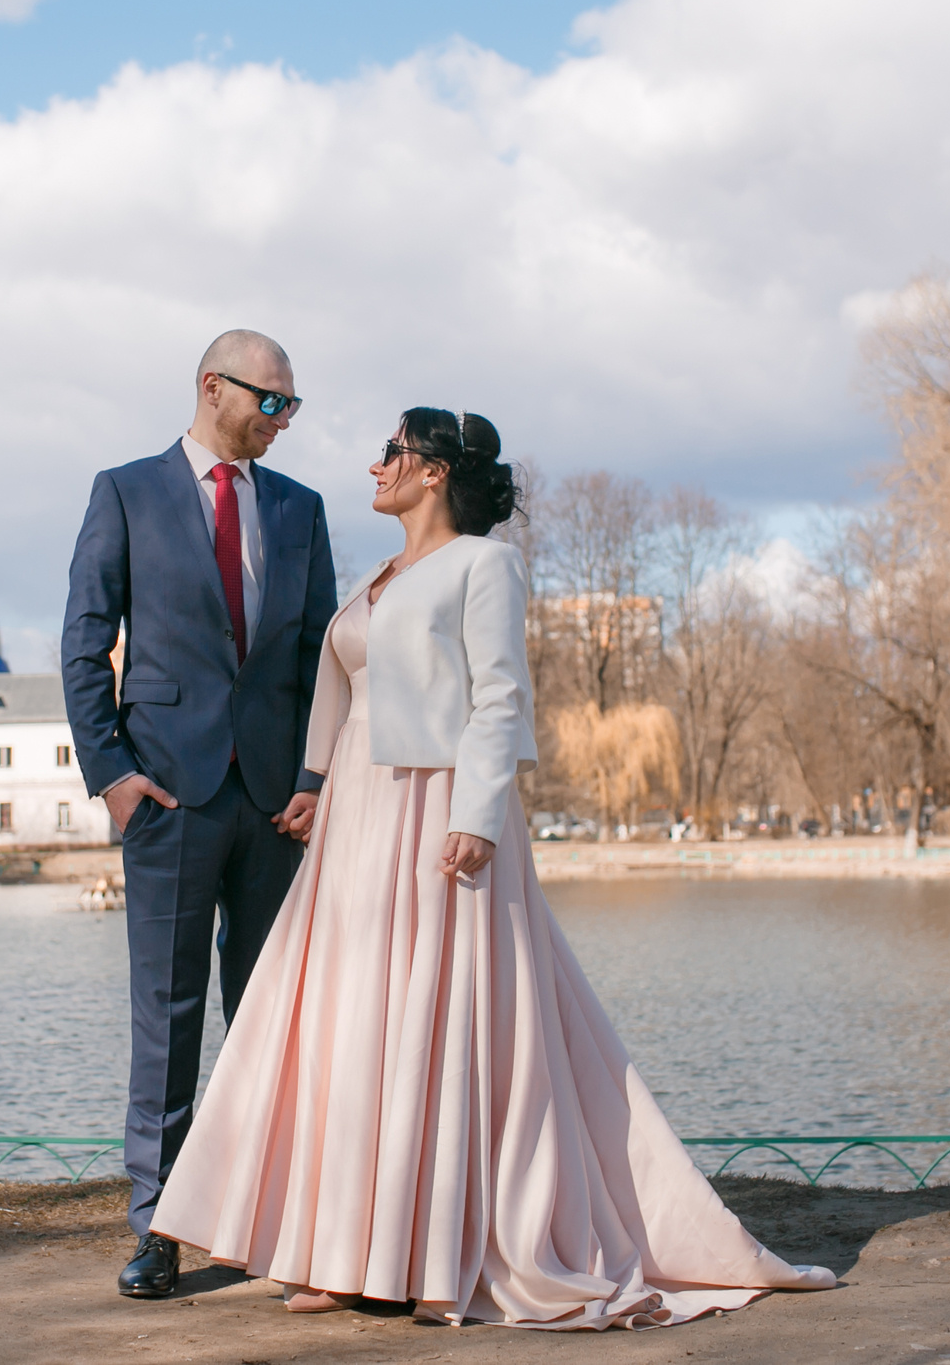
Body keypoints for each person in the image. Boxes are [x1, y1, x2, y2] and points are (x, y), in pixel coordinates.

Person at [149, 408, 836, 1329]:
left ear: (433, 472)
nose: (374, 465)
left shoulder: (485, 566)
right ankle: (338, 1245)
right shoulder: (380, 576)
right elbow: (338, 688)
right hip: (358, 815)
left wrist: (477, 817)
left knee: (430, 1017)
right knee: (352, 1016)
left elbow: (502, 695)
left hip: (438, 811)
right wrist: (312, 783)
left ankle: (417, 1255)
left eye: (391, 452)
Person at [60, 329, 340, 1299]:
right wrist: (114, 776)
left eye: (292, 407)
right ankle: (160, 1228)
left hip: (274, 805)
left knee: (270, 1019)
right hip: (168, 797)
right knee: (168, 1020)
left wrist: (316, 774)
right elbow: (84, 643)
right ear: (213, 388)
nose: (283, 422)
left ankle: (272, 1219)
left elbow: (318, 662)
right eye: (272, 402)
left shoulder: (301, 512)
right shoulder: (125, 493)